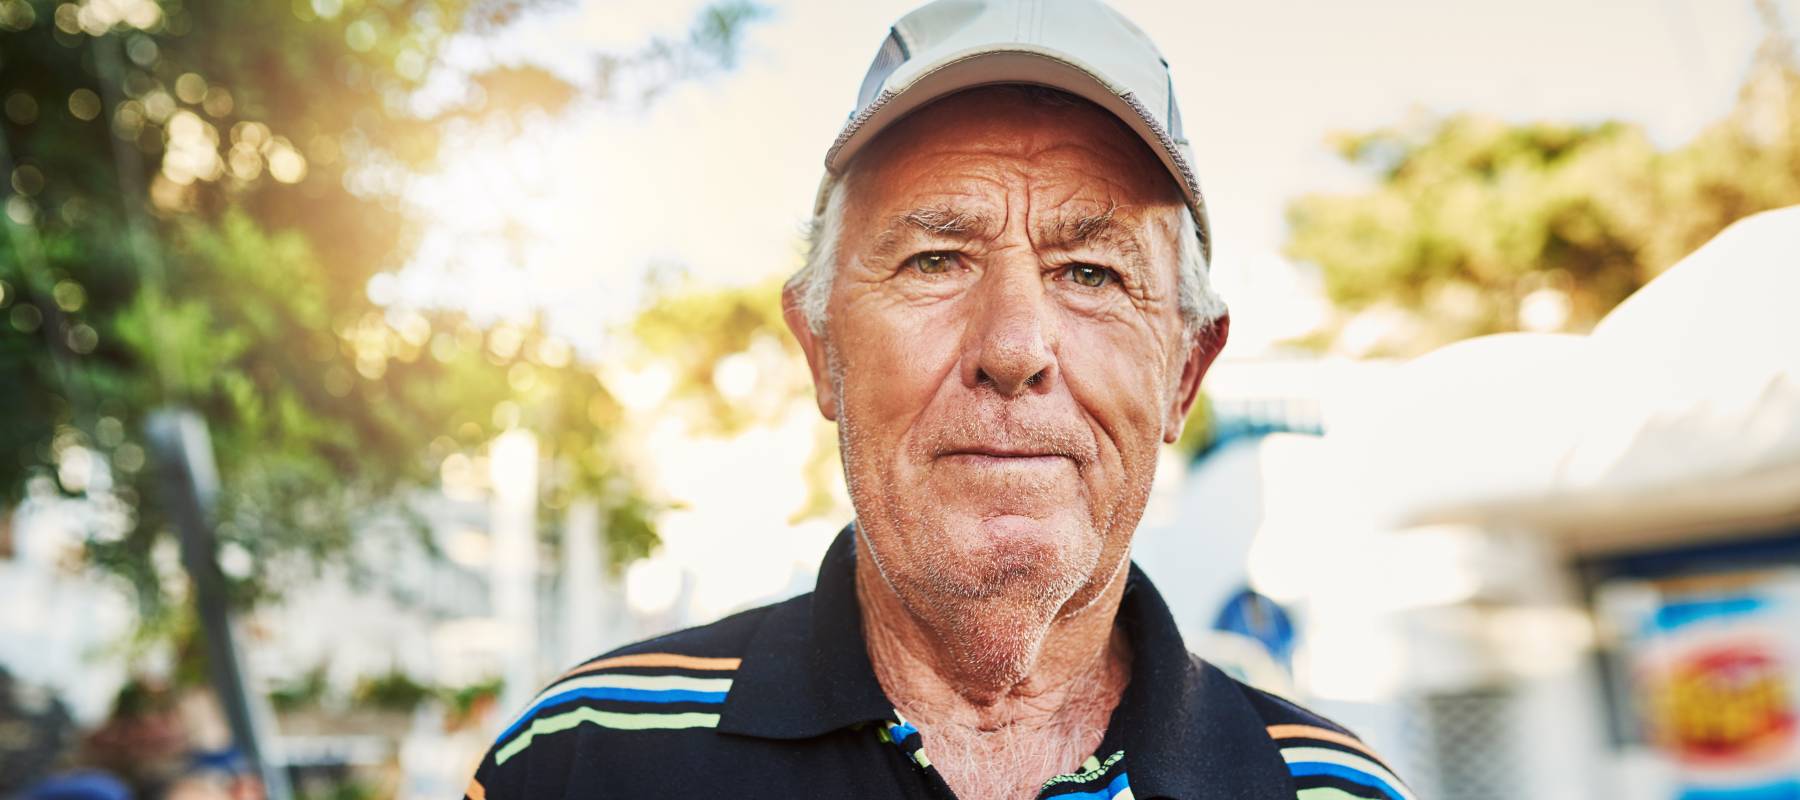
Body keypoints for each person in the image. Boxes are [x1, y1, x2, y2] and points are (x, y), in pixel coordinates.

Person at [466, 0, 1409, 797]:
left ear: (1184, 375)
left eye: (1090, 272)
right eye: (936, 259)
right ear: (822, 350)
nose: (1012, 348)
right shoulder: (581, 761)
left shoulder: (1333, 791)